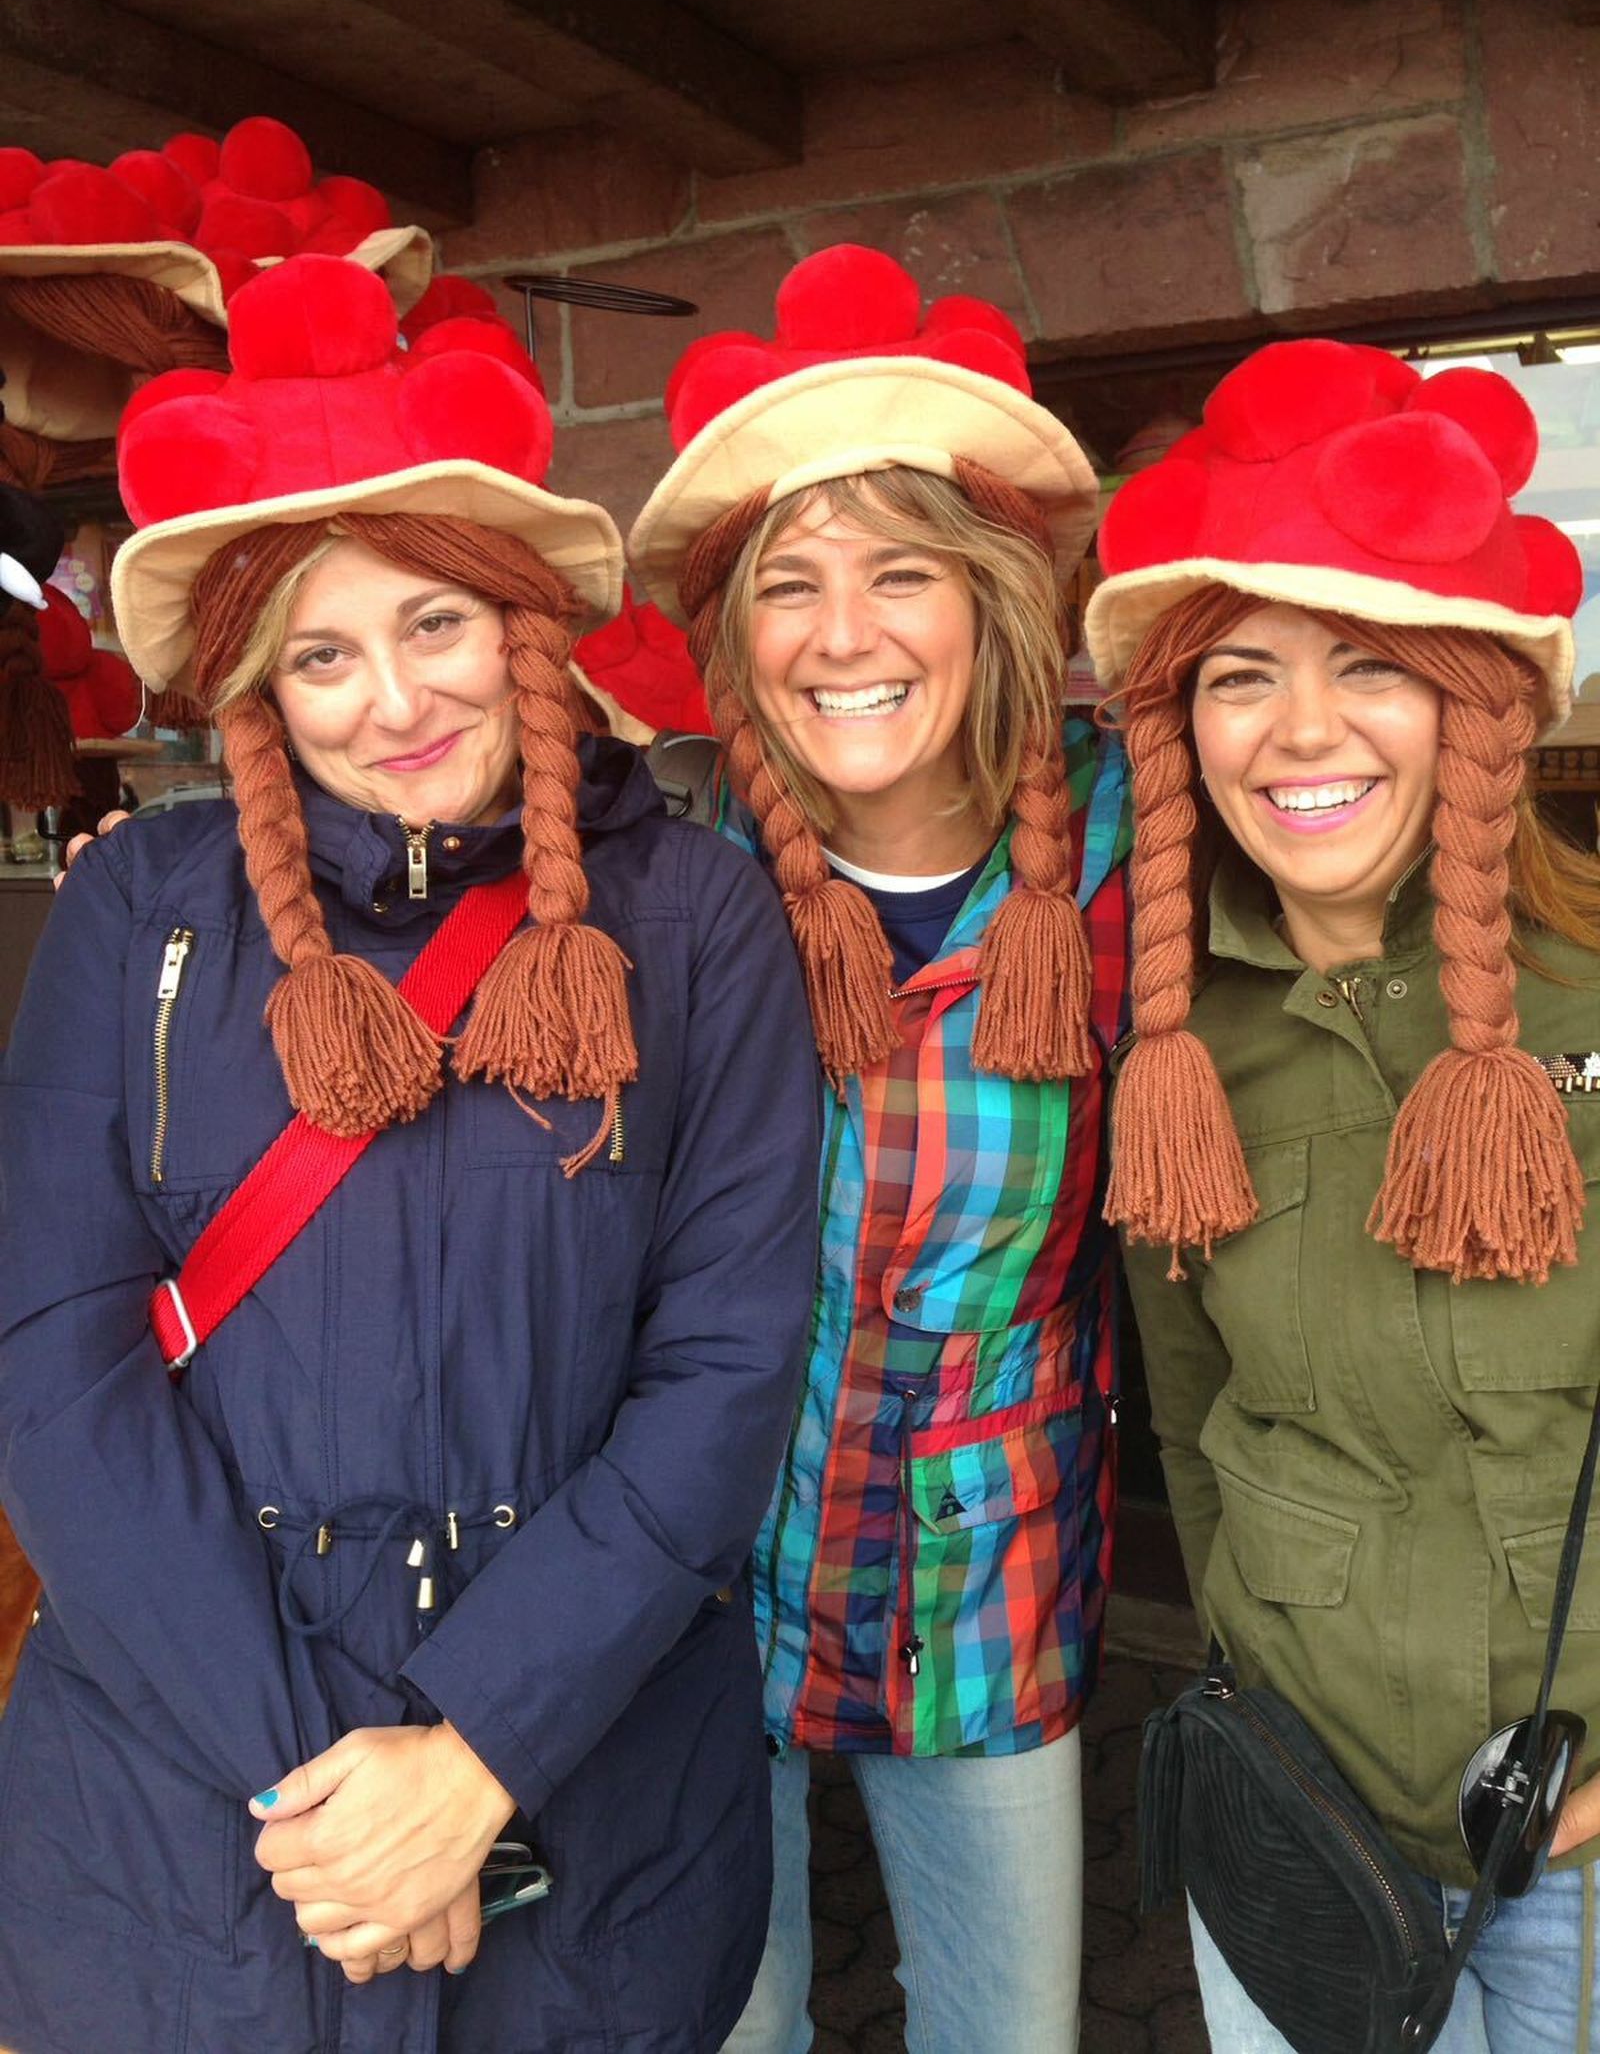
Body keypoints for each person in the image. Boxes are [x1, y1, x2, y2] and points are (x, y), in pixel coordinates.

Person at [0, 254, 820, 2054]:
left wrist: (480, 1750)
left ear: (523, 624)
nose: (391, 700)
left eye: (435, 622)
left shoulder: (690, 921)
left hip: (590, 1825)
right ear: (257, 691)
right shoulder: (137, 910)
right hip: (188, 1831)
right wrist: (343, 1804)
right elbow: (59, 1365)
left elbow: (728, 1363)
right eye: (321, 652)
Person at [626, 244, 1133, 2054]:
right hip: (687, 1595)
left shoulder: (1135, 859)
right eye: (791, 585)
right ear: (735, 633)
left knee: (1010, 2036)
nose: (843, 635)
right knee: (719, 2030)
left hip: (983, 1592)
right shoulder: (648, 882)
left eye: (899, 573)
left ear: (993, 598)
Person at [1085, 335, 1600, 2049]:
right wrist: (1247, 1701)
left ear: (1471, 695)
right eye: (1239, 674)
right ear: (1181, 733)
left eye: (1370, 661)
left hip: (1579, 1833)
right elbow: (1189, 1415)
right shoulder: (1175, 1054)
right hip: (1296, 1821)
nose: (1302, 730)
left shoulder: (1595, 996)